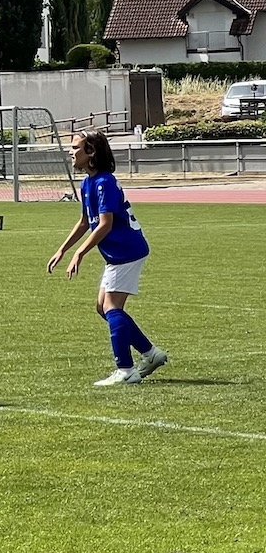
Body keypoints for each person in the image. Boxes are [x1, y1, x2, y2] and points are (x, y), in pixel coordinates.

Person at [47, 129, 168, 386]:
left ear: (91, 153)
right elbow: (84, 222)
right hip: (118, 254)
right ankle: (150, 353)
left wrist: (80, 253)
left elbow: (105, 224)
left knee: (112, 307)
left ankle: (126, 370)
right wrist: (63, 249)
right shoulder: (87, 183)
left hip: (127, 251)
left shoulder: (105, 182)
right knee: (102, 307)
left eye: (75, 147)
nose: (70, 151)